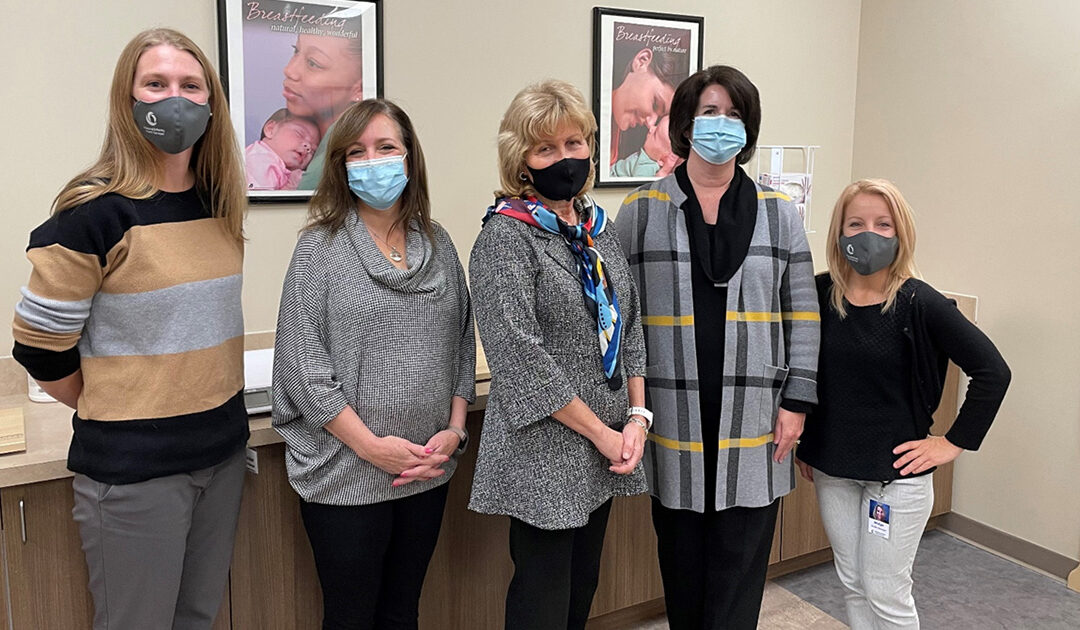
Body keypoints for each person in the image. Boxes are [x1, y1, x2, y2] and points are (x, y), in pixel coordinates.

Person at [11, 28, 248, 629]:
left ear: (211, 102)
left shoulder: (219, 205)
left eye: (191, 85)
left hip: (220, 458)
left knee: (196, 617)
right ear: (128, 99)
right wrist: (116, 404)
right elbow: (38, 347)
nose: (176, 98)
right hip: (136, 474)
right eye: (156, 84)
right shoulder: (93, 213)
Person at [614, 65, 820, 629]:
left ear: (748, 129)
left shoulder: (780, 214)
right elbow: (619, 314)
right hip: (672, 419)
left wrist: (797, 403)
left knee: (739, 577)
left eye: (733, 114)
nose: (720, 124)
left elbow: (803, 312)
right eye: (708, 112)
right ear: (685, 124)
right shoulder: (641, 211)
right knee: (682, 573)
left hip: (754, 420)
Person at [271, 98, 476, 630]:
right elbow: (301, 359)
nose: (373, 160)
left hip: (426, 469)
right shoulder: (321, 246)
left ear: (409, 158)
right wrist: (371, 447)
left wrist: (455, 431)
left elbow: (460, 339)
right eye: (357, 151)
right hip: (344, 473)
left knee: (402, 609)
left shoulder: (438, 243)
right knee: (351, 615)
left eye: (386, 147)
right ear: (339, 165)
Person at [468, 79, 649, 630]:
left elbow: (629, 320)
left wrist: (638, 416)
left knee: (582, 587)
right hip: (546, 449)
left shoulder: (596, 226)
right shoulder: (504, 237)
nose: (564, 158)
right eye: (546, 148)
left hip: (610, 442)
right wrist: (603, 433)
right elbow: (520, 357)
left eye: (575, 143)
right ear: (521, 161)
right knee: (542, 598)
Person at [795, 179, 1010, 630]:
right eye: (856, 223)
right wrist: (809, 441)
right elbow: (807, 373)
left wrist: (951, 444)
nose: (867, 234)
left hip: (896, 477)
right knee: (853, 582)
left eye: (882, 225)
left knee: (886, 591)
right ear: (839, 233)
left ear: (901, 234)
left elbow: (993, 372)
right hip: (833, 468)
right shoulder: (818, 295)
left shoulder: (920, 302)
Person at [281, 25, 366, 190]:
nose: (289, 70)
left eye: (313, 63)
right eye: (295, 51)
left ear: (360, 88)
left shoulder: (341, 144)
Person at [609, 45, 682, 170]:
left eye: (659, 118)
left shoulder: (617, 137)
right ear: (641, 61)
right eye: (655, 104)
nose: (650, 124)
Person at [245, 108, 320, 190]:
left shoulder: (279, 166)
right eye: (299, 134)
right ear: (271, 129)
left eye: (313, 150)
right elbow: (259, 199)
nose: (308, 147)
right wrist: (290, 186)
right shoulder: (259, 159)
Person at [610, 114, 679, 177]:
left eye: (655, 135)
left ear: (661, 160)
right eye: (656, 126)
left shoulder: (646, 167)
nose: (651, 128)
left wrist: (661, 174)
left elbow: (642, 187)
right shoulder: (646, 158)